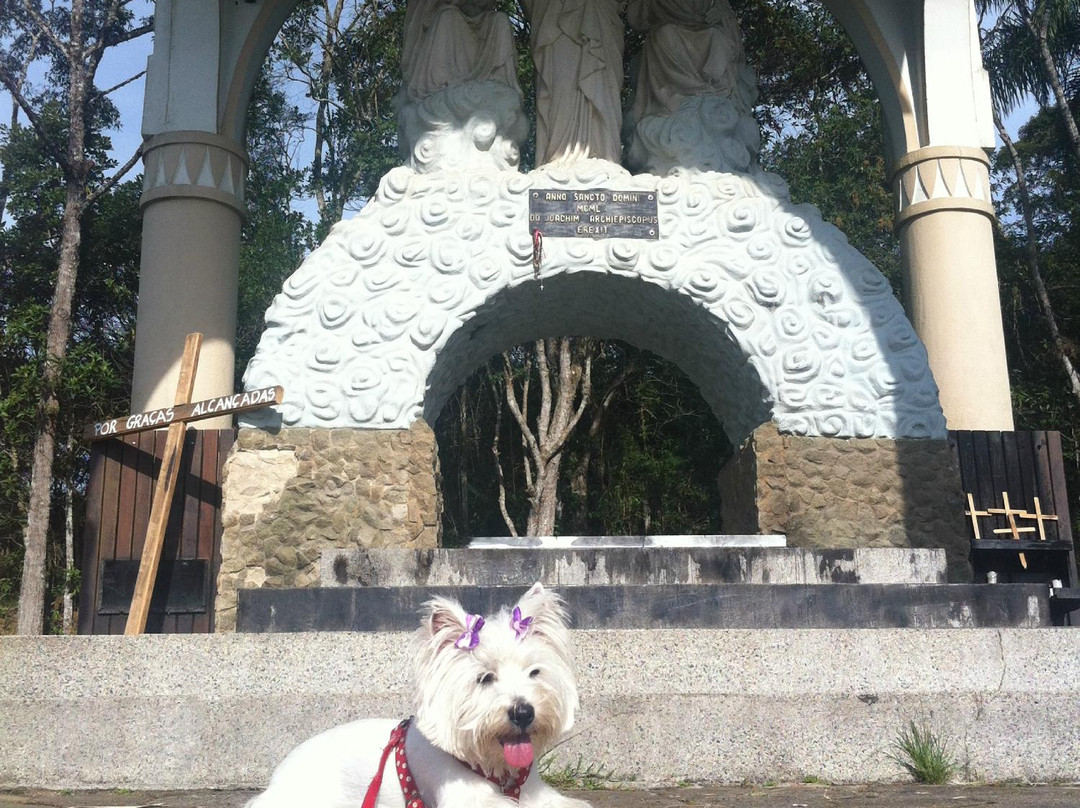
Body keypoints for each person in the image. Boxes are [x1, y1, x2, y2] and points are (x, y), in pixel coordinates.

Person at [524, 0, 624, 164]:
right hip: (557, 20)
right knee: (563, 85)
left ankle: (604, 153)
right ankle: (558, 155)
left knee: (601, 86)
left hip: (600, 17)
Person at [401, 0, 518, 102]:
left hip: (481, 18)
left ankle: (498, 78)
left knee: (501, 19)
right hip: (450, 14)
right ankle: (442, 82)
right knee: (448, 17)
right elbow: (426, 12)